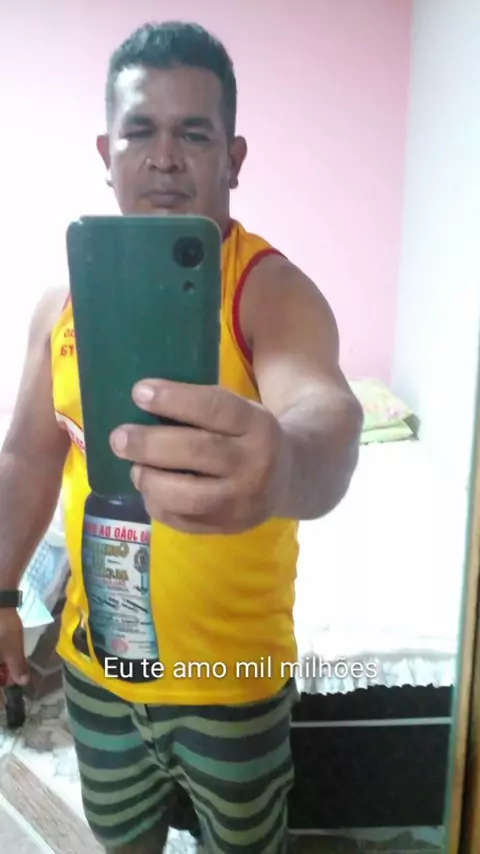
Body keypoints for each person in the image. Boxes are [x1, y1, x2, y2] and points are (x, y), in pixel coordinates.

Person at [0, 20, 363, 854]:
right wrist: (0, 594)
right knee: (120, 838)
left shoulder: (268, 290)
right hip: (98, 670)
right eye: (141, 130)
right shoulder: (61, 300)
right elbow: (24, 458)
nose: (164, 157)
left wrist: (285, 466)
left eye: (193, 134)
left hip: (232, 682)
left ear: (234, 158)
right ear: (107, 151)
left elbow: (326, 414)